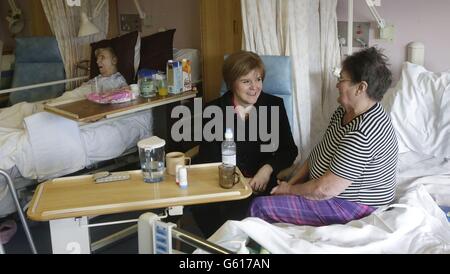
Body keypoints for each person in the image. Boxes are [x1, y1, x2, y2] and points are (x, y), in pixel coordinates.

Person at [249, 47, 398, 226]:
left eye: (341, 79)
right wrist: (292, 182)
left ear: (360, 88)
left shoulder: (364, 133)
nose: (337, 84)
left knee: (259, 206)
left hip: (351, 206)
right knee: (270, 187)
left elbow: (325, 189)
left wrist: (290, 189)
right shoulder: (344, 112)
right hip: (326, 189)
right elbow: (319, 153)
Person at [191, 51, 297, 237]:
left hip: (262, 185)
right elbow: (208, 157)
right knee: (211, 214)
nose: (254, 87)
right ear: (231, 83)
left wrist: (267, 169)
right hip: (224, 184)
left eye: (258, 79)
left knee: (252, 220)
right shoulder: (213, 110)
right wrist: (237, 180)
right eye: (246, 81)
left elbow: (289, 150)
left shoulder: (274, 105)